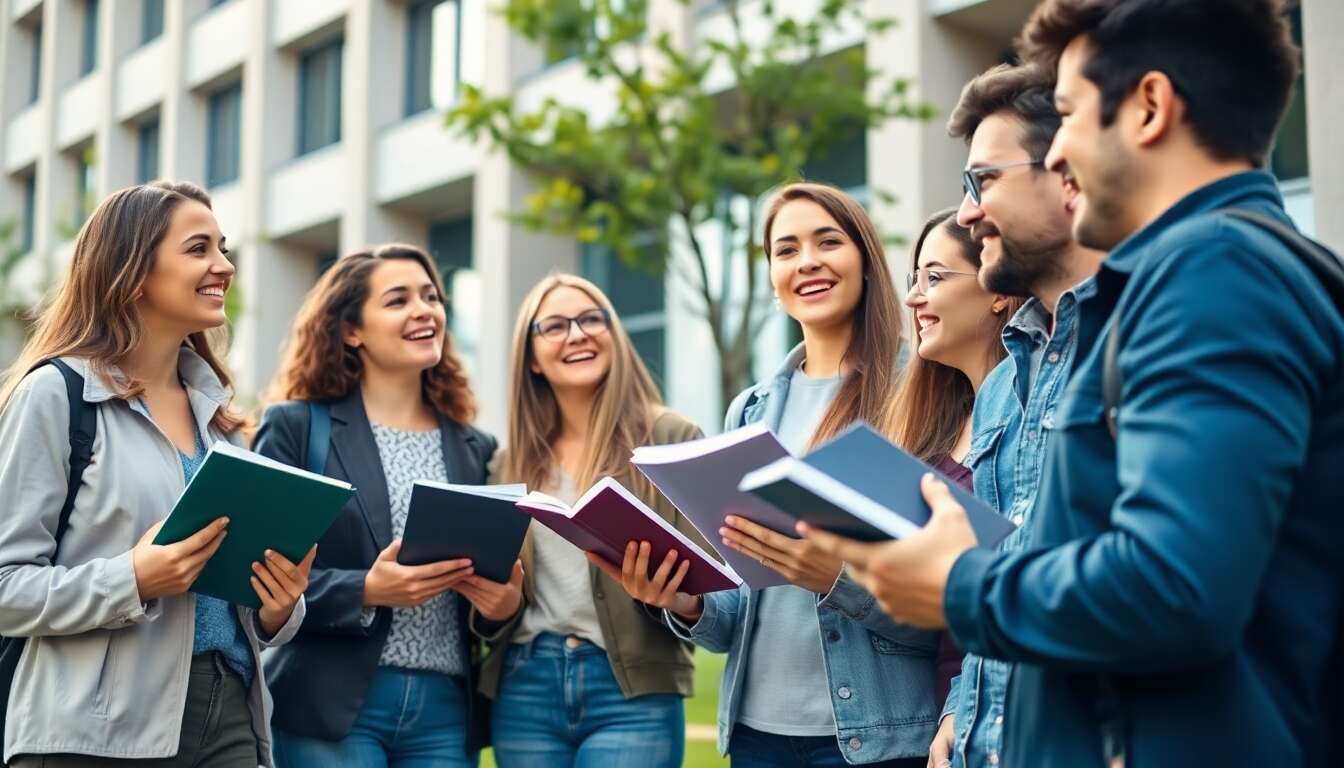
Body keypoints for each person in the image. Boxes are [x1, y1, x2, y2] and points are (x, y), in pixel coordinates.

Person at [801, 2, 1344, 766]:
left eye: (1071, 114)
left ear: (1150, 107)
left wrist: (961, 586)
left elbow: (1174, 587)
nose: (1060, 157)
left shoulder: (1215, 272)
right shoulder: (1208, 271)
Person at [607, 182, 935, 767]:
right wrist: (685, 601)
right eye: (786, 250)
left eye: (827, 241)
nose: (806, 261)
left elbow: (946, 607)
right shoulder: (750, 411)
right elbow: (739, 603)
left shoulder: (922, 392)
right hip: (759, 736)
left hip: (877, 739)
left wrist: (837, 579)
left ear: (864, 258)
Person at [0, 182, 308, 767]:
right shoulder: (58, 395)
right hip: (93, 731)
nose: (225, 265)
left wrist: (278, 603)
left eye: (223, 247)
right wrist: (132, 579)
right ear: (134, 272)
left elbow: (237, 603)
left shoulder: (220, 419)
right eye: (199, 249)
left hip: (232, 716)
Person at [254, 245, 521, 767]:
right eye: (398, 300)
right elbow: (257, 570)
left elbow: (487, 601)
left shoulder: (477, 448)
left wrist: (502, 608)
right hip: (328, 705)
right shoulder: (296, 427)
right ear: (352, 330)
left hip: (445, 710)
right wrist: (366, 590)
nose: (424, 309)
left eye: (431, 297)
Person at [932, 63, 1104, 768]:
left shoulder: (1146, 348)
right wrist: (956, 715)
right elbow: (996, 576)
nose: (968, 214)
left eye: (984, 181)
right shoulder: (1002, 387)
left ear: (1066, 171)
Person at [479, 273, 705, 768]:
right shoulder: (507, 464)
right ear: (532, 359)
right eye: (555, 326)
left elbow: (709, 585)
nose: (577, 334)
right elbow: (496, 599)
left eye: (590, 319)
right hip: (525, 685)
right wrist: (495, 608)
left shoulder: (671, 436)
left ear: (613, 335)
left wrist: (674, 595)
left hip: (631, 690)